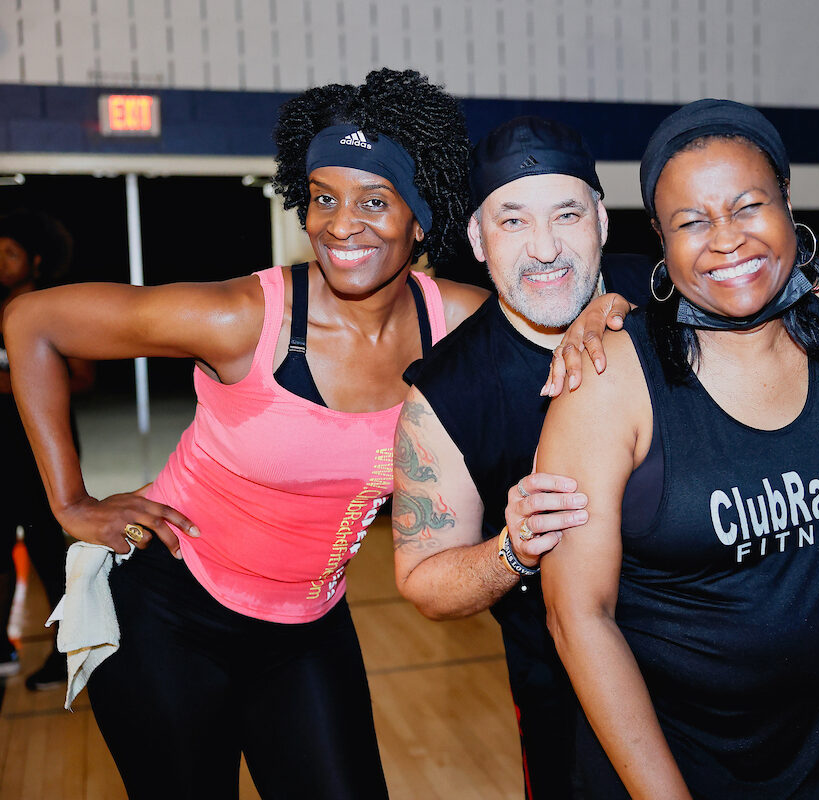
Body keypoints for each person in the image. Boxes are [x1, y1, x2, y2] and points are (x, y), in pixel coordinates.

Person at [2, 68, 488, 799]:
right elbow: (32, 323)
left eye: (374, 200)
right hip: (168, 617)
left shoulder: (460, 323)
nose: (339, 223)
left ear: (421, 218)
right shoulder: (244, 318)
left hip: (309, 625)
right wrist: (68, 502)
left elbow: (590, 334)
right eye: (323, 197)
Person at [533, 99, 819, 799]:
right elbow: (578, 617)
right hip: (665, 768)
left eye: (749, 206)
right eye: (691, 221)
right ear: (660, 238)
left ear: (787, 204)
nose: (726, 240)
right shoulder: (607, 379)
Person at [392, 115, 651, 799]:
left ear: (600, 218)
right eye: (512, 221)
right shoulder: (445, 392)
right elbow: (422, 578)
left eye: (566, 214)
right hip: (567, 696)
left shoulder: (670, 292)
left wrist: (616, 310)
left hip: (723, 667)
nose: (544, 248)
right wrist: (512, 548)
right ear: (478, 238)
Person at [0, 210, 93, 690]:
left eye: (10, 253)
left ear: (35, 260)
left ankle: (71, 654)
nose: (0, 261)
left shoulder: (49, 312)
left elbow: (84, 376)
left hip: (38, 451)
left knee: (47, 554)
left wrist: (16, 384)